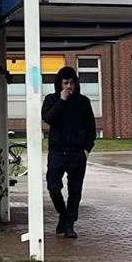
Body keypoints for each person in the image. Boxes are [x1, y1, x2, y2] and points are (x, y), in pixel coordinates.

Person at [42, 66, 96, 238]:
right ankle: (63, 214)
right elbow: (48, 118)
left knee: (75, 191)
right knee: (53, 187)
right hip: (57, 151)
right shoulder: (51, 99)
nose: (69, 86)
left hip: (76, 152)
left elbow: (90, 127)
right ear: (59, 84)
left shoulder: (83, 102)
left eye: (72, 83)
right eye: (65, 83)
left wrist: (87, 149)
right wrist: (61, 101)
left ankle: (70, 224)